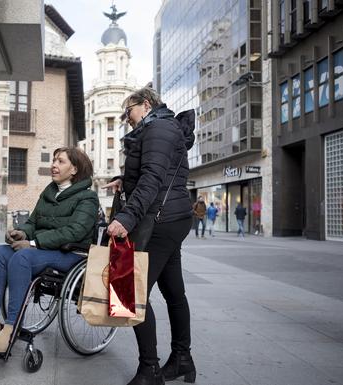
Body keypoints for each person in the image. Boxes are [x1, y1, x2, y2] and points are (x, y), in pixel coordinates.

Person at [0, 147, 98, 353]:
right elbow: (33, 222)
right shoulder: (49, 192)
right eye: (53, 160)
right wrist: (22, 233)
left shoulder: (88, 198)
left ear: (74, 169)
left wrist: (33, 243)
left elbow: (74, 232)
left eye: (60, 161)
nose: (53, 165)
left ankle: (11, 327)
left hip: (71, 255)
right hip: (43, 250)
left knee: (22, 257)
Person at [104, 87, 196, 385]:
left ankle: (150, 370)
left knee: (129, 291)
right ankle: (182, 360)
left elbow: (153, 178)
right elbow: (158, 171)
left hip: (161, 219)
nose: (125, 119)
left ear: (145, 105)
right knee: (173, 292)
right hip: (170, 216)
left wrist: (126, 217)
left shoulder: (157, 129)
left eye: (127, 111)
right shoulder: (160, 127)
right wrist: (123, 179)